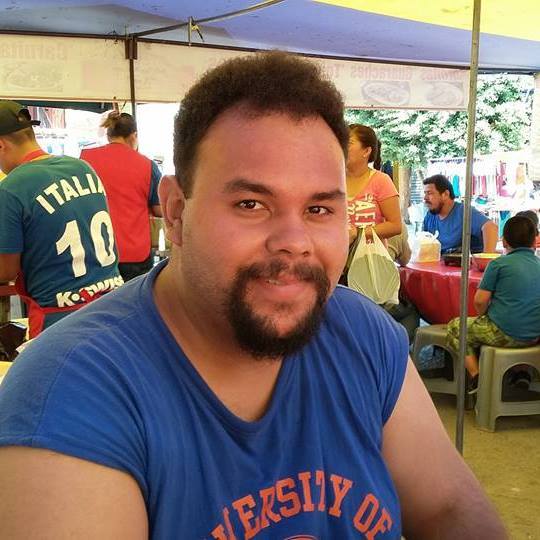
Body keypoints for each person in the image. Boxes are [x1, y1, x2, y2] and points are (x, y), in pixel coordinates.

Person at [0, 52, 506, 539]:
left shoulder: (361, 331)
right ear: (175, 211)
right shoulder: (72, 391)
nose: (294, 241)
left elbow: (448, 508)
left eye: (319, 209)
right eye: (250, 203)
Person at [0, 100, 123, 338]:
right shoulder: (83, 168)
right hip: (112, 306)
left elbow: (6, 270)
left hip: (60, 320)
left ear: (1, 145)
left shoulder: (12, 188)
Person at [447, 215, 540, 392]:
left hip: (505, 333)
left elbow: (480, 301)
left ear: (504, 241)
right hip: (534, 336)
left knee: (455, 327)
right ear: (534, 241)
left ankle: (477, 377)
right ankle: (521, 372)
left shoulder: (498, 264)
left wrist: (483, 316)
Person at [81, 111, 162, 282]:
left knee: (100, 299)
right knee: (135, 298)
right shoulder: (147, 166)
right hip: (134, 254)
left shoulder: (84, 160)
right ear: (134, 136)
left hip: (94, 251)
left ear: (108, 135)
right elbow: (160, 209)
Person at [346, 124, 402, 245]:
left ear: (366, 151)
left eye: (349, 143)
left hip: (371, 254)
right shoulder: (333, 181)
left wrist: (358, 233)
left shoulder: (381, 181)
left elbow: (396, 226)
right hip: (338, 254)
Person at [423, 174, 498, 254]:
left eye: (429, 193)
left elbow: (491, 227)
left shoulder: (463, 212)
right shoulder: (430, 216)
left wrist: (486, 258)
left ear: (445, 194)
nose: (425, 198)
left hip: (463, 261)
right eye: (425, 193)